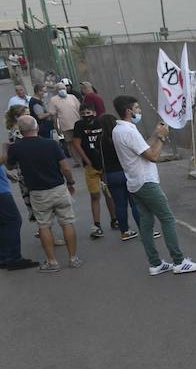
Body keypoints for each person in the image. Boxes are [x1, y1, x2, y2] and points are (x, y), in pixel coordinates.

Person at [111, 95, 196, 276]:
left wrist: (155, 134)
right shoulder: (129, 131)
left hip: (135, 182)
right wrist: (161, 139)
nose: (139, 111)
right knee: (167, 219)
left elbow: (142, 148)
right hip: (146, 182)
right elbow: (152, 156)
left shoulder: (119, 130)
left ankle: (155, 263)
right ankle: (179, 261)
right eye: (137, 108)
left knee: (146, 224)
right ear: (129, 110)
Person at [2, 115, 82, 272]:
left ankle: (52, 262)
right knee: (67, 222)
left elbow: (10, 166)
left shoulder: (16, 148)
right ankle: (73, 259)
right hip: (58, 188)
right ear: (36, 127)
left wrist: (6, 149)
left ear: (20, 130)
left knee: (44, 226)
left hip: (37, 192)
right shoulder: (51, 144)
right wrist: (71, 182)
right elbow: (65, 167)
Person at [70, 102, 117, 237]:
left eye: (88, 113)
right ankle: (97, 224)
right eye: (83, 113)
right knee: (95, 195)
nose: (86, 116)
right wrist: (86, 159)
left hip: (105, 164)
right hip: (90, 166)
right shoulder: (79, 125)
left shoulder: (100, 123)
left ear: (94, 113)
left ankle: (114, 219)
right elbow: (77, 144)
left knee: (109, 193)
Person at [96, 113, 142, 241]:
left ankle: (125, 231)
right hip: (126, 171)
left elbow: (98, 158)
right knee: (135, 203)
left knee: (120, 205)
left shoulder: (100, 139)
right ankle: (144, 229)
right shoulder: (119, 136)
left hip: (111, 175)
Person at [0, 135, 38, 269]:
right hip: (1, 192)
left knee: (4, 223)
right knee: (13, 221)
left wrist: (6, 174)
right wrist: (5, 150)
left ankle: (4, 257)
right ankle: (13, 258)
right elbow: (2, 160)